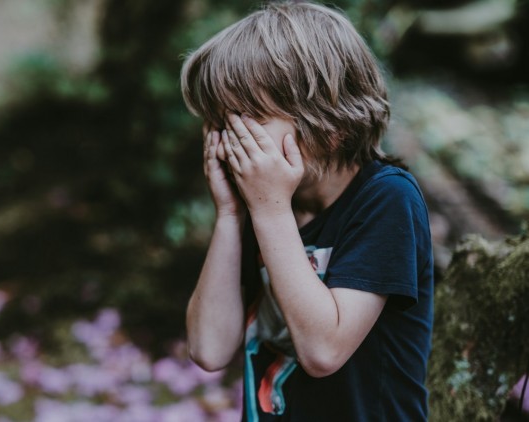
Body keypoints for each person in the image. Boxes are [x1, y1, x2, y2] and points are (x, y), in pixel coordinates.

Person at [180, 2, 434, 421]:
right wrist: (229, 214)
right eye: (222, 123)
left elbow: (323, 351)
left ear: (330, 126)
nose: (232, 140)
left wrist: (269, 210)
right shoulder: (264, 202)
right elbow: (209, 349)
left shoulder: (386, 198)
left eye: (249, 120)